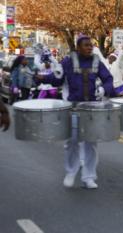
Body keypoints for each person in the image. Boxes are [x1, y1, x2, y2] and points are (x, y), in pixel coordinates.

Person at [36, 35, 114, 189]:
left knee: (91, 143)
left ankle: (88, 177)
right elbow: (57, 78)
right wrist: (42, 78)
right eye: (86, 45)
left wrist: (104, 88)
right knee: (72, 141)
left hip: (92, 107)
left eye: (91, 45)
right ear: (78, 47)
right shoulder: (67, 61)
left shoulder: (96, 61)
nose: (90, 47)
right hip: (73, 106)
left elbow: (108, 79)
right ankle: (71, 172)